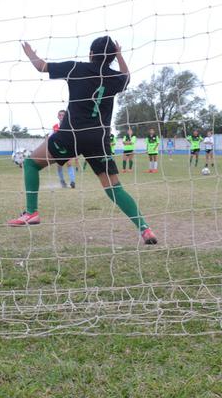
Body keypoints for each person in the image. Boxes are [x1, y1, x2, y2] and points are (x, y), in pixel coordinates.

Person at [10, 36, 157, 244]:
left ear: (90, 54)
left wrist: (30, 53)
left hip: (71, 135)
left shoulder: (76, 68)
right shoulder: (115, 78)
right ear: (112, 57)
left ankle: (31, 212)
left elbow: (42, 67)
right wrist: (120, 55)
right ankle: (144, 228)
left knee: (31, 164)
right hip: (99, 138)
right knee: (114, 187)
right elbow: (127, 76)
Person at [52, 110, 77, 188]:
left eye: (63, 115)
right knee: (59, 165)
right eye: (60, 115)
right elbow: (51, 136)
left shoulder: (70, 125)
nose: (61, 116)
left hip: (68, 147)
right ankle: (62, 181)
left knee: (69, 163)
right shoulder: (55, 127)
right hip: (58, 148)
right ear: (58, 116)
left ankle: (72, 182)